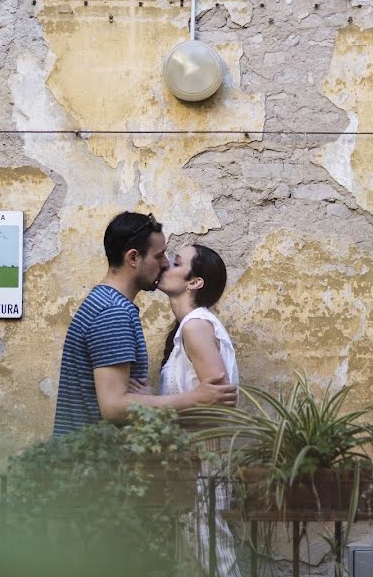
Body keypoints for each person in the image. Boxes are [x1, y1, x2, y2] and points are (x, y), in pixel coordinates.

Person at [53, 212, 237, 437]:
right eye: (159, 256)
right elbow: (113, 407)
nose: (164, 264)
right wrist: (195, 398)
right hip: (92, 463)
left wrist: (152, 399)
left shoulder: (109, 304)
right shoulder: (114, 312)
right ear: (133, 258)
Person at [155, 243, 241, 577]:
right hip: (192, 461)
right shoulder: (190, 327)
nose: (166, 266)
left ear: (195, 282)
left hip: (200, 459)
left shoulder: (196, 325)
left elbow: (218, 395)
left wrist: (154, 407)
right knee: (195, 561)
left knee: (214, 560)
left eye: (175, 262)